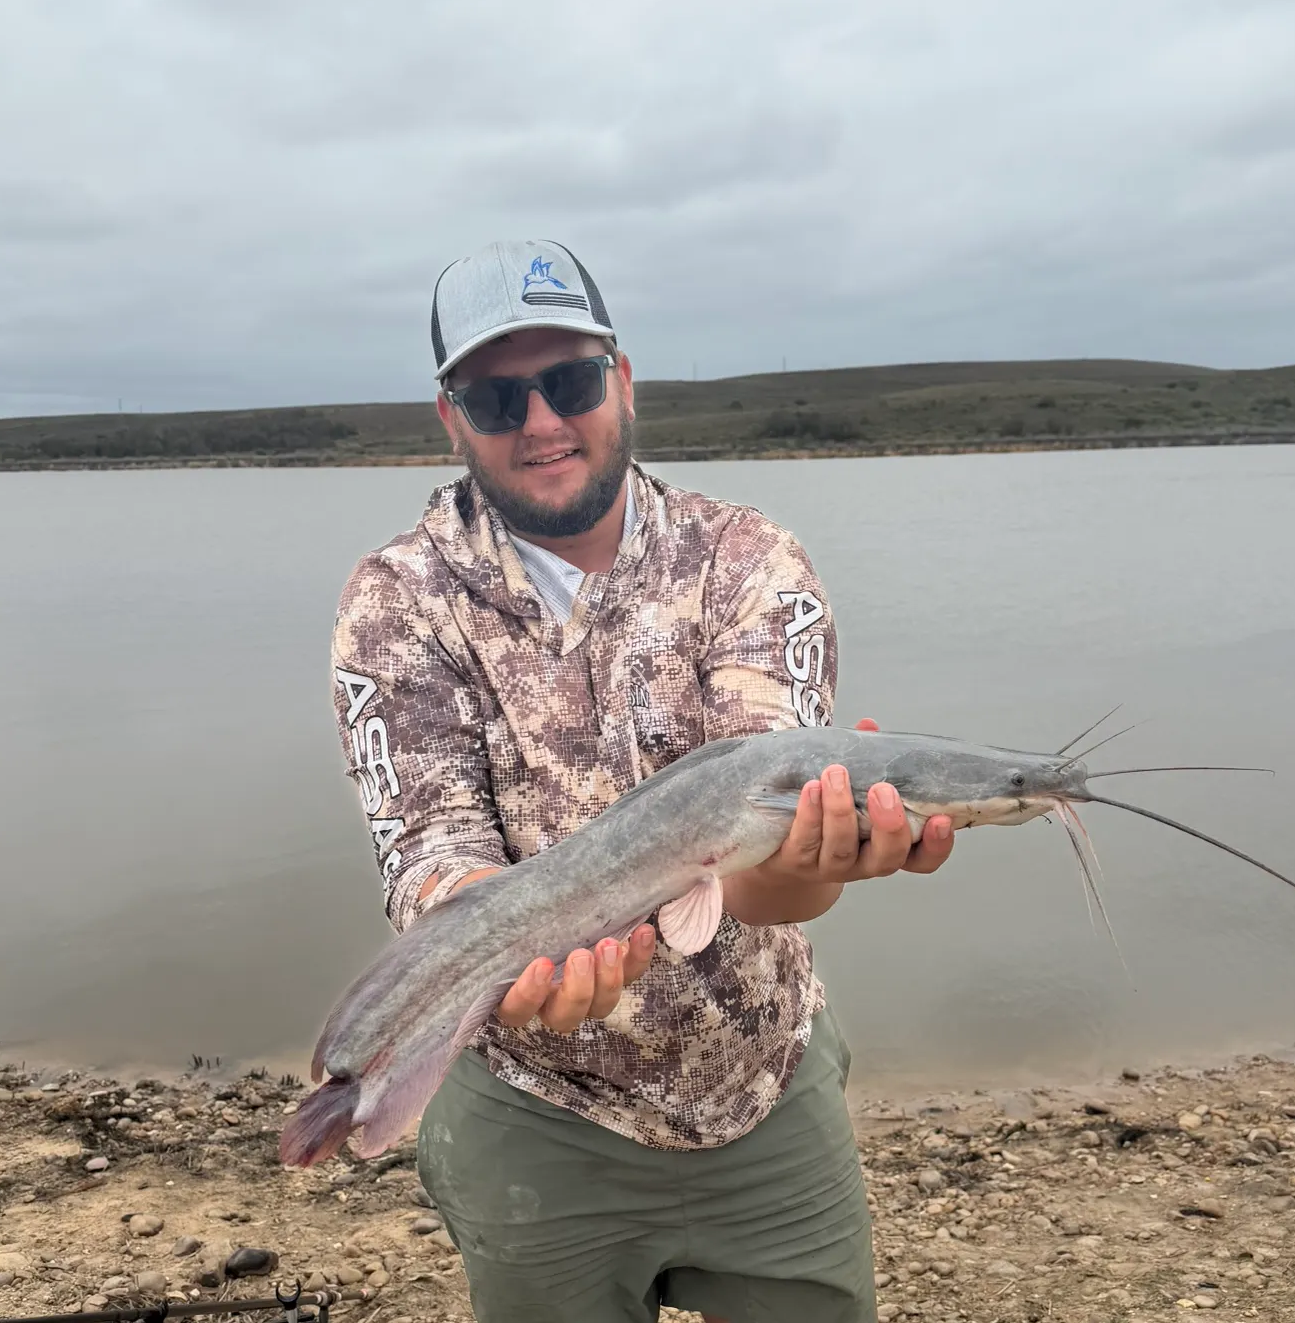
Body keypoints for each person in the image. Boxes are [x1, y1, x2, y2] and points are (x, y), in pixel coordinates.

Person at [329, 239, 956, 1323]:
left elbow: (765, 861)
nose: (540, 422)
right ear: (450, 417)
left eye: (568, 381)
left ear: (622, 379)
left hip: (761, 1083)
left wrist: (814, 860)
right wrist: (496, 953)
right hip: (533, 1110)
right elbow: (429, 846)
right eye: (496, 395)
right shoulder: (396, 600)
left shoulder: (747, 560)